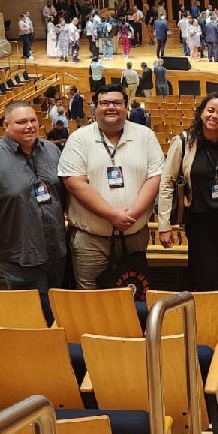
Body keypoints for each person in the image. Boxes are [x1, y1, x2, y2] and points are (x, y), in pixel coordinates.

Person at [58, 85, 165, 289]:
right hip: (92, 241)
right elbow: (74, 183)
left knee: (135, 297)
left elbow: (155, 178)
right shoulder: (78, 139)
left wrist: (131, 214)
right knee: (90, 301)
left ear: (126, 107)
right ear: (95, 108)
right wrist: (111, 215)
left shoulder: (145, 136)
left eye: (117, 103)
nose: (111, 108)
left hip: (134, 237)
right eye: (104, 103)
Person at [0, 100, 69, 302]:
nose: (29, 126)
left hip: (56, 251)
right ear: (6, 125)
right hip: (19, 257)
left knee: (59, 309)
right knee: (33, 316)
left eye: (33, 120)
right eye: (21, 122)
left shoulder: (51, 151)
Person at [157, 93, 218, 291]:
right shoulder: (182, 142)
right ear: (201, 113)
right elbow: (166, 183)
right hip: (200, 223)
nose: (214, 116)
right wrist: (164, 224)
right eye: (210, 110)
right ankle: (210, 321)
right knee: (207, 281)